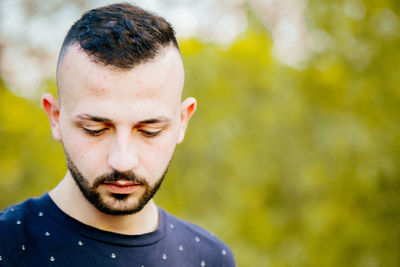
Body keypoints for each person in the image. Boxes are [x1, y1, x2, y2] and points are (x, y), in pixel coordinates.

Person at [0, 3, 235, 266]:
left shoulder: (211, 258)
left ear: (182, 122)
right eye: (95, 130)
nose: (122, 161)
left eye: (150, 131)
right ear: (55, 117)